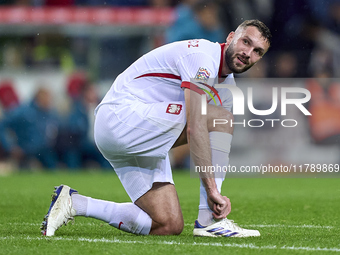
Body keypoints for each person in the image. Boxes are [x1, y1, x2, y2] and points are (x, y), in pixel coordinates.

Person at [41, 19, 271, 237]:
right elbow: (195, 126)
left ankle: (74, 203)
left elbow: (200, 133)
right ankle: (210, 220)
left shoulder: (226, 87)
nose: (248, 53)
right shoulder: (203, 57)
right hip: (121, 116)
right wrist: (213, 192)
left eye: (257, 51)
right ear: (231, 37)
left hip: (142, 131)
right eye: (246, 42)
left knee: (167, 223)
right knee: (221, 118)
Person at [0, 87, 59, 169]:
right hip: (25, 153)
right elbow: (2, 125)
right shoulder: (23, 111)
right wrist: (10, 146)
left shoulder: (50, 113)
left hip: (46, 152)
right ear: (39, 97)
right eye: (47, 98)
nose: (49, 101)